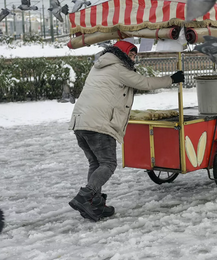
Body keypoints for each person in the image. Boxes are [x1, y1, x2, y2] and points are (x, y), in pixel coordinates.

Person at [68, 40, 185, 221]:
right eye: (131, 54)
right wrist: (172, 79)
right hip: (100, 124)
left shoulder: (99, 66)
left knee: (96, 164)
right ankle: (85, 196)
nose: (134, 58)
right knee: (108, 164)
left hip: (80, 123)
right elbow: (144, 82)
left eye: (135, 55)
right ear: (121, 53)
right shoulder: (119, 69)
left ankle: (95, 204)